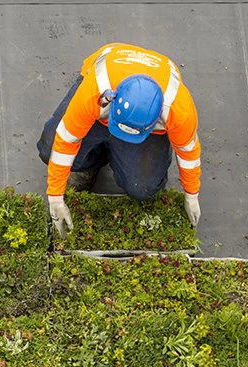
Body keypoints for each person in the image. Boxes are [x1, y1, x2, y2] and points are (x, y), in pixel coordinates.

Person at [37, 42, 201, 238]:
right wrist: (55, 197)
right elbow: (66, 140)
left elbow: (188, 153)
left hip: (143, 124)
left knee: (143, 188)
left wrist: (192, 195)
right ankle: (90, 163)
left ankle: (119, 154)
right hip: (102, 106)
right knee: (50, 147)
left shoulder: (179, 111)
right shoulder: (95, 92)